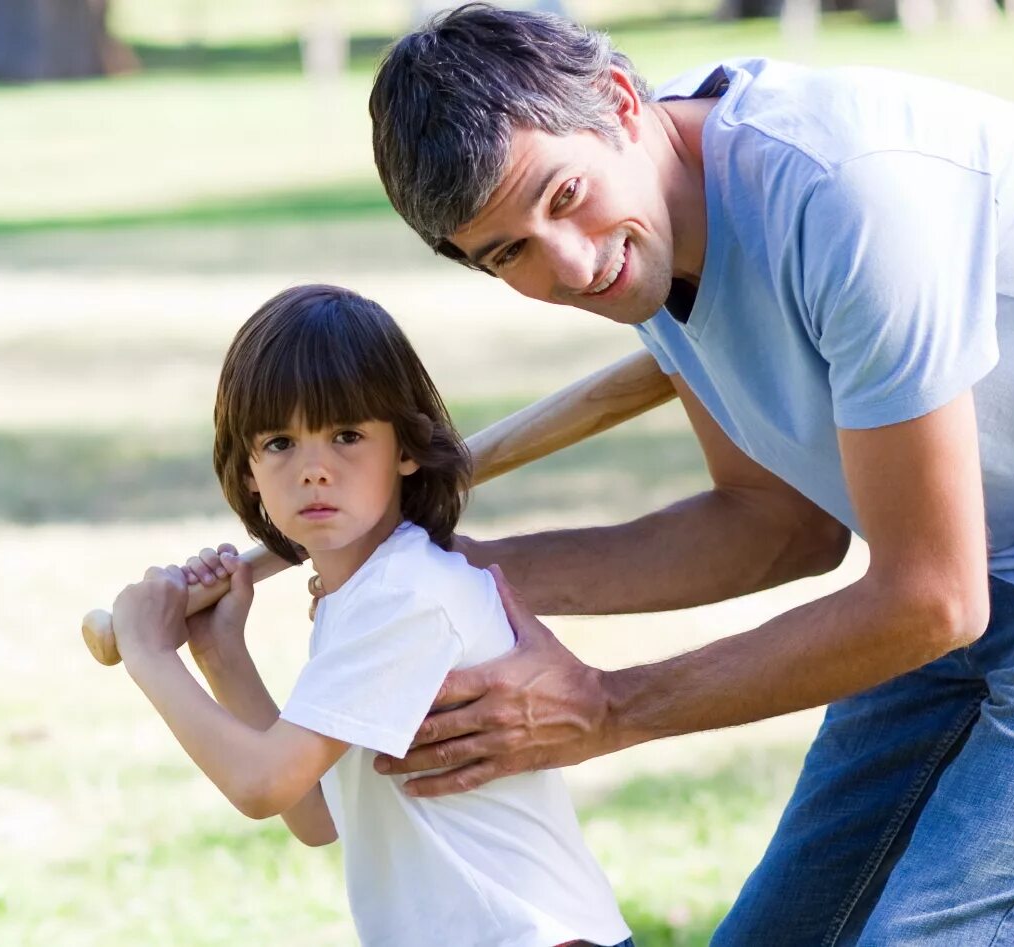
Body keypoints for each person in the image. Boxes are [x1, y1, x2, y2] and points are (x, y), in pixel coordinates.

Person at [364, 3, 1014, 944]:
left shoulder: (844, 194)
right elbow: (772, 524)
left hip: (980, 585)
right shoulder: (656, 234)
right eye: (510, 252)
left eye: (562, 196)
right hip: (997, 574)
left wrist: (609, 707)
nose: (569, 266)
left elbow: (934, 599)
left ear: (619, 101)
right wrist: (452, 567)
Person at [109, 284, 634, 947]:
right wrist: (221, 654)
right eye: (279, 443)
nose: (314, 470)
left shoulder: (405, 596)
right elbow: (317, 812)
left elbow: (261, 783)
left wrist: (149, 654)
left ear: (406, 447)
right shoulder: (358, 597)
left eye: (347, 435)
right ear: (248, 468)